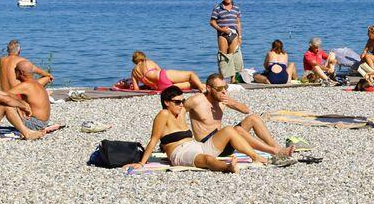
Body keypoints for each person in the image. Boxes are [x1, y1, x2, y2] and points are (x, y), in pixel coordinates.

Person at [124, 86, 261, 173]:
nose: (181, 105)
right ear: (166, 103)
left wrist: (212, 91)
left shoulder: (181, 113)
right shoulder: (164, 114)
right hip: (180, 153)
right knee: (206, 159)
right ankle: (228, 168)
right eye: (177, 102)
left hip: (198, 146)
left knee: (229, 130)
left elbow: (199, 99)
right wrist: (142, 163)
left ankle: (257, 157)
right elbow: (154, 140)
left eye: (182, 101)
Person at [184, 73, 293, 161]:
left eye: (225, 87)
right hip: (209, 146)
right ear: (208, 88)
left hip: (224, 141)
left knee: (253, 118)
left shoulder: (222, 100)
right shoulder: (196, 101)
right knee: (237, 130)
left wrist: (232, 103)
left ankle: (277, 148)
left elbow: (246, 110)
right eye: (219, 88)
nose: (223, 91)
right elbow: (178, 113)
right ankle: (274, 151)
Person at [8, 60, 53, 132]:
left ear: (20, 73)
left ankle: (26, 132)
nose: (14, 72)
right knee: (14, 101)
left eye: (15, 70)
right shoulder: (37, 83)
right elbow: (48, 77)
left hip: (35, 124)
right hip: (43, 123)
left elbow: (4, 95)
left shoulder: (25, 85)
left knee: (6, 105)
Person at [130, 51, 205, 92]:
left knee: (191, 85)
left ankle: (204, 86)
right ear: (142, 57)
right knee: (191, 74)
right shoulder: (147, 62)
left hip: (161, 88)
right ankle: (202, 88)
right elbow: (160, 70)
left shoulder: (133, 72)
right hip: (162, 77)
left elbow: (136, 89)